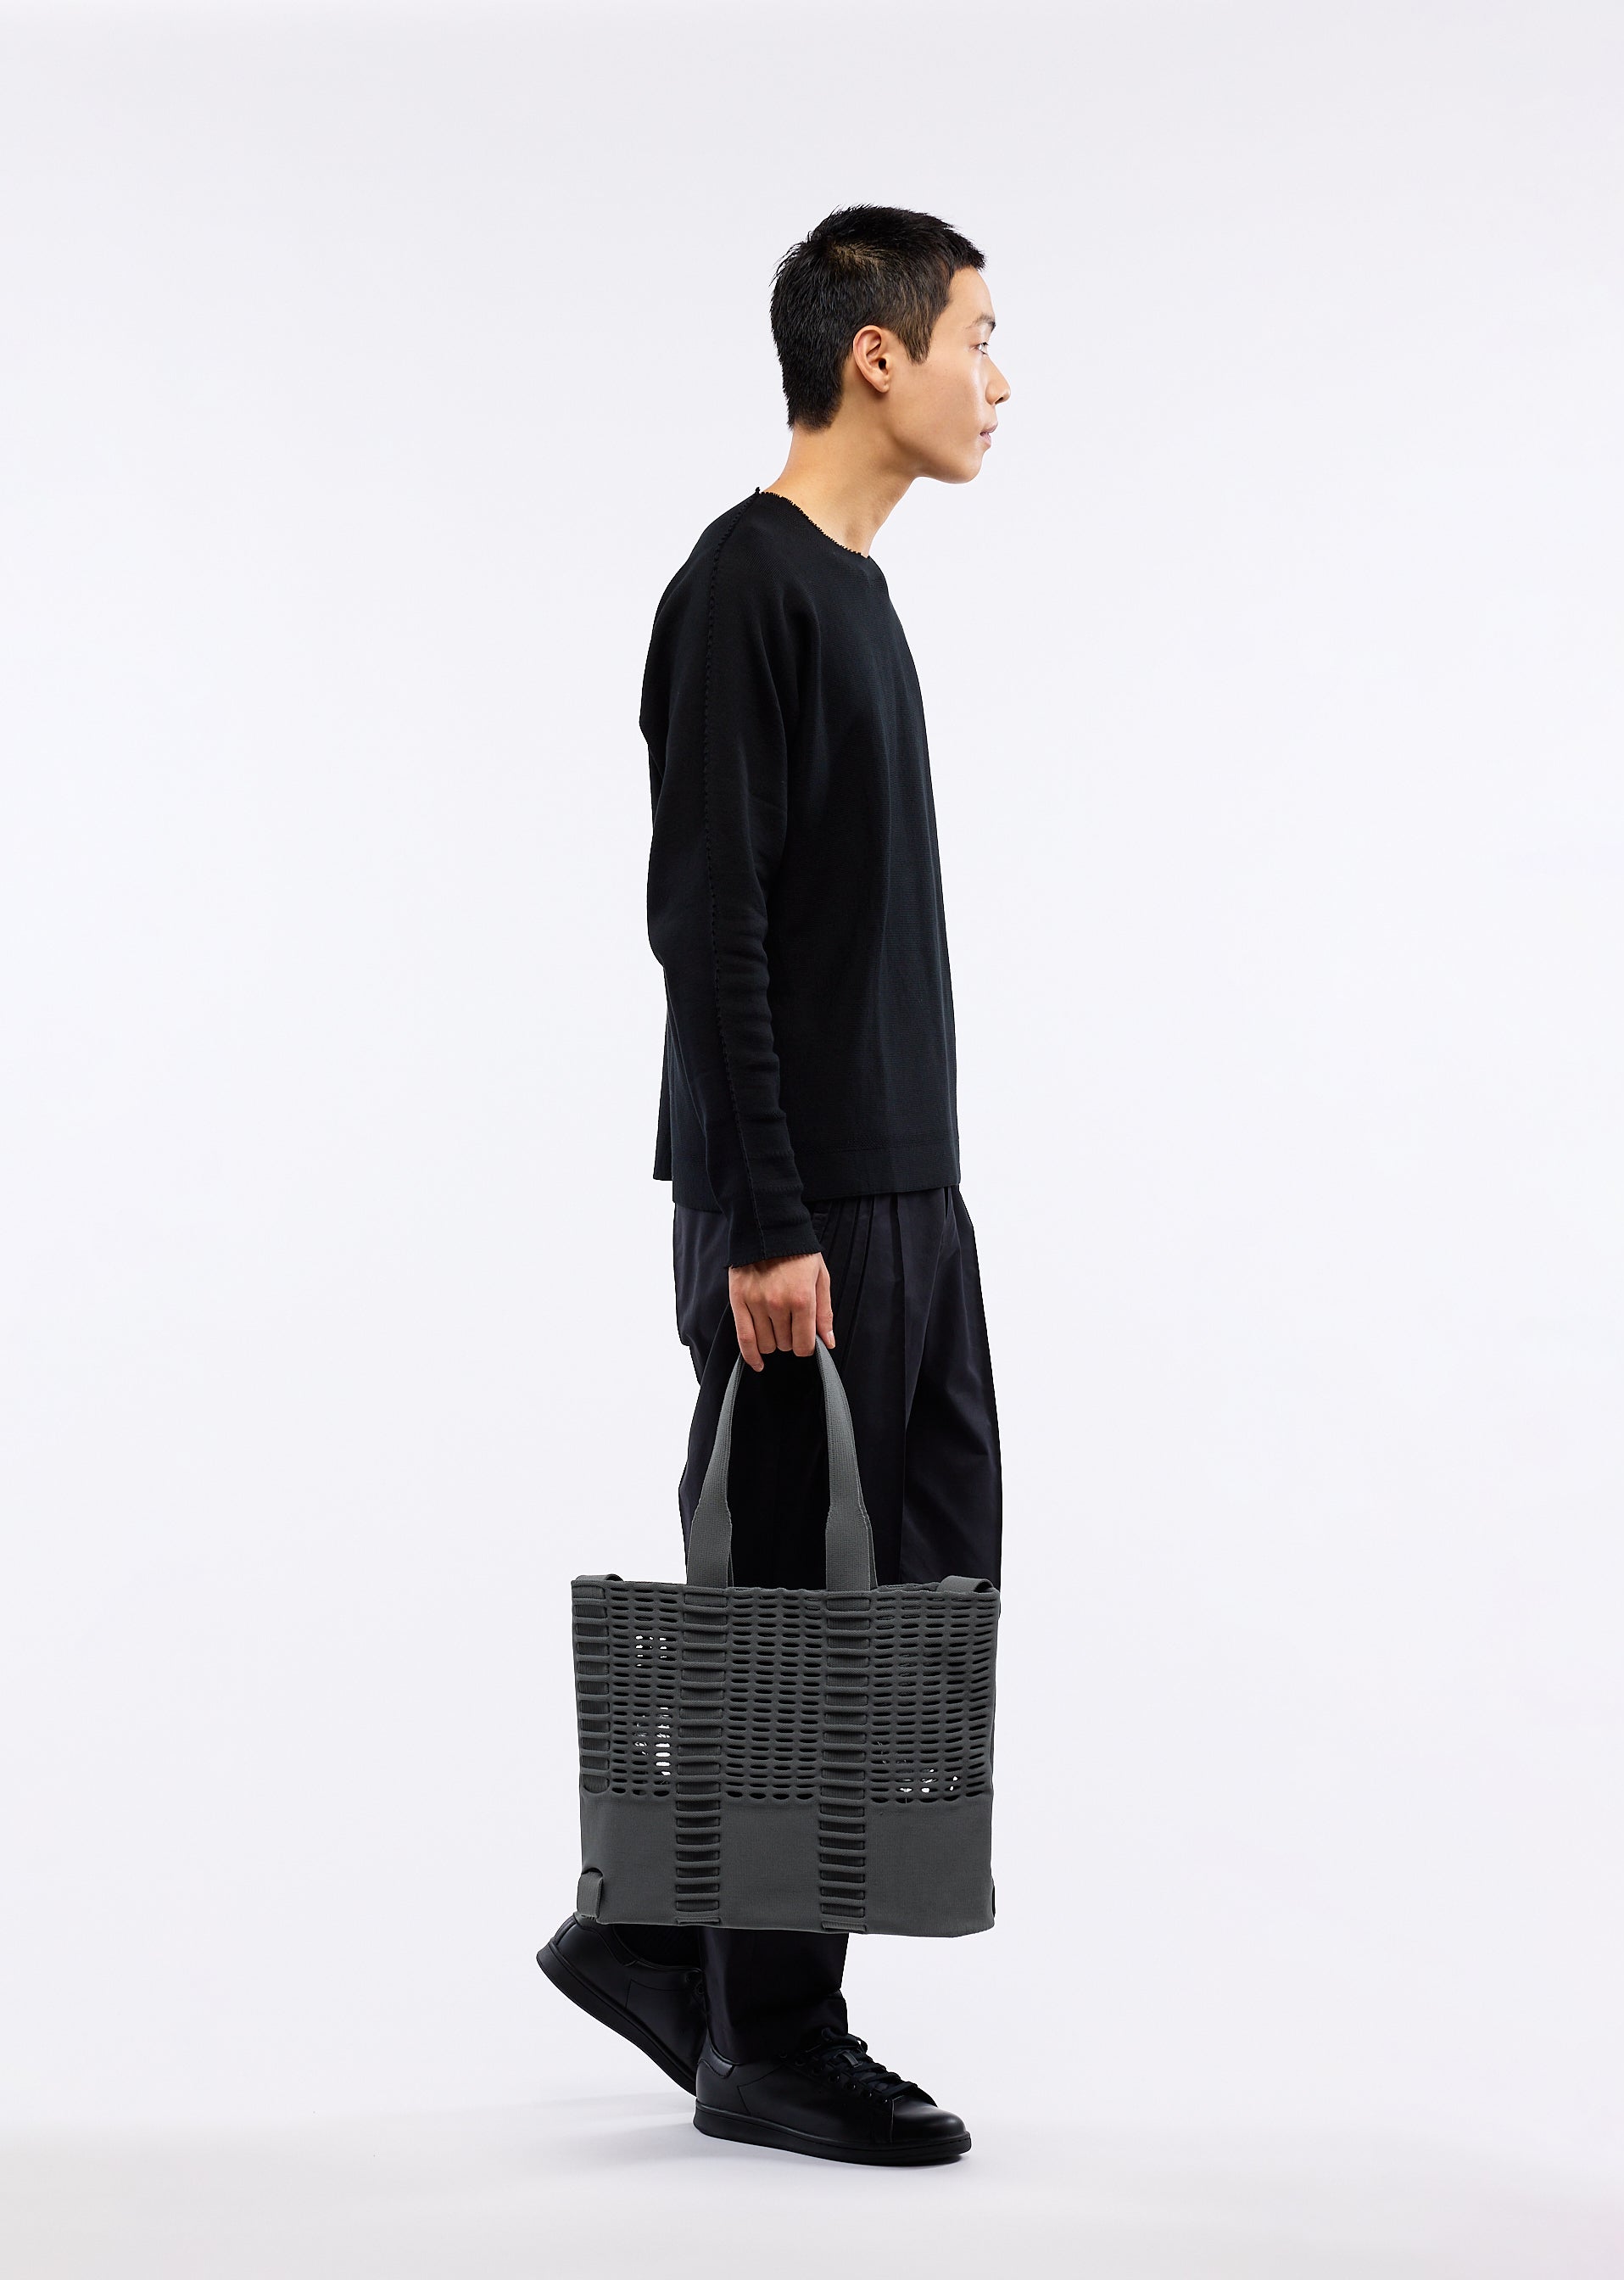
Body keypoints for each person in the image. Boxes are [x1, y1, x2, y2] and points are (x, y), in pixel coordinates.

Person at [538, 204, 1011, 2166]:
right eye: (978, 336)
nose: (1000, 381)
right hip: (807, 1211)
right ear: (874, 355)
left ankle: (662, 1936)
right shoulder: (743, 585)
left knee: (903, 1588)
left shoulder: (854, 592)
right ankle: (772, 2040)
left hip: (904, 1195)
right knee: (799, 1617)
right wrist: (767, 1219)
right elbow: (706, 920)